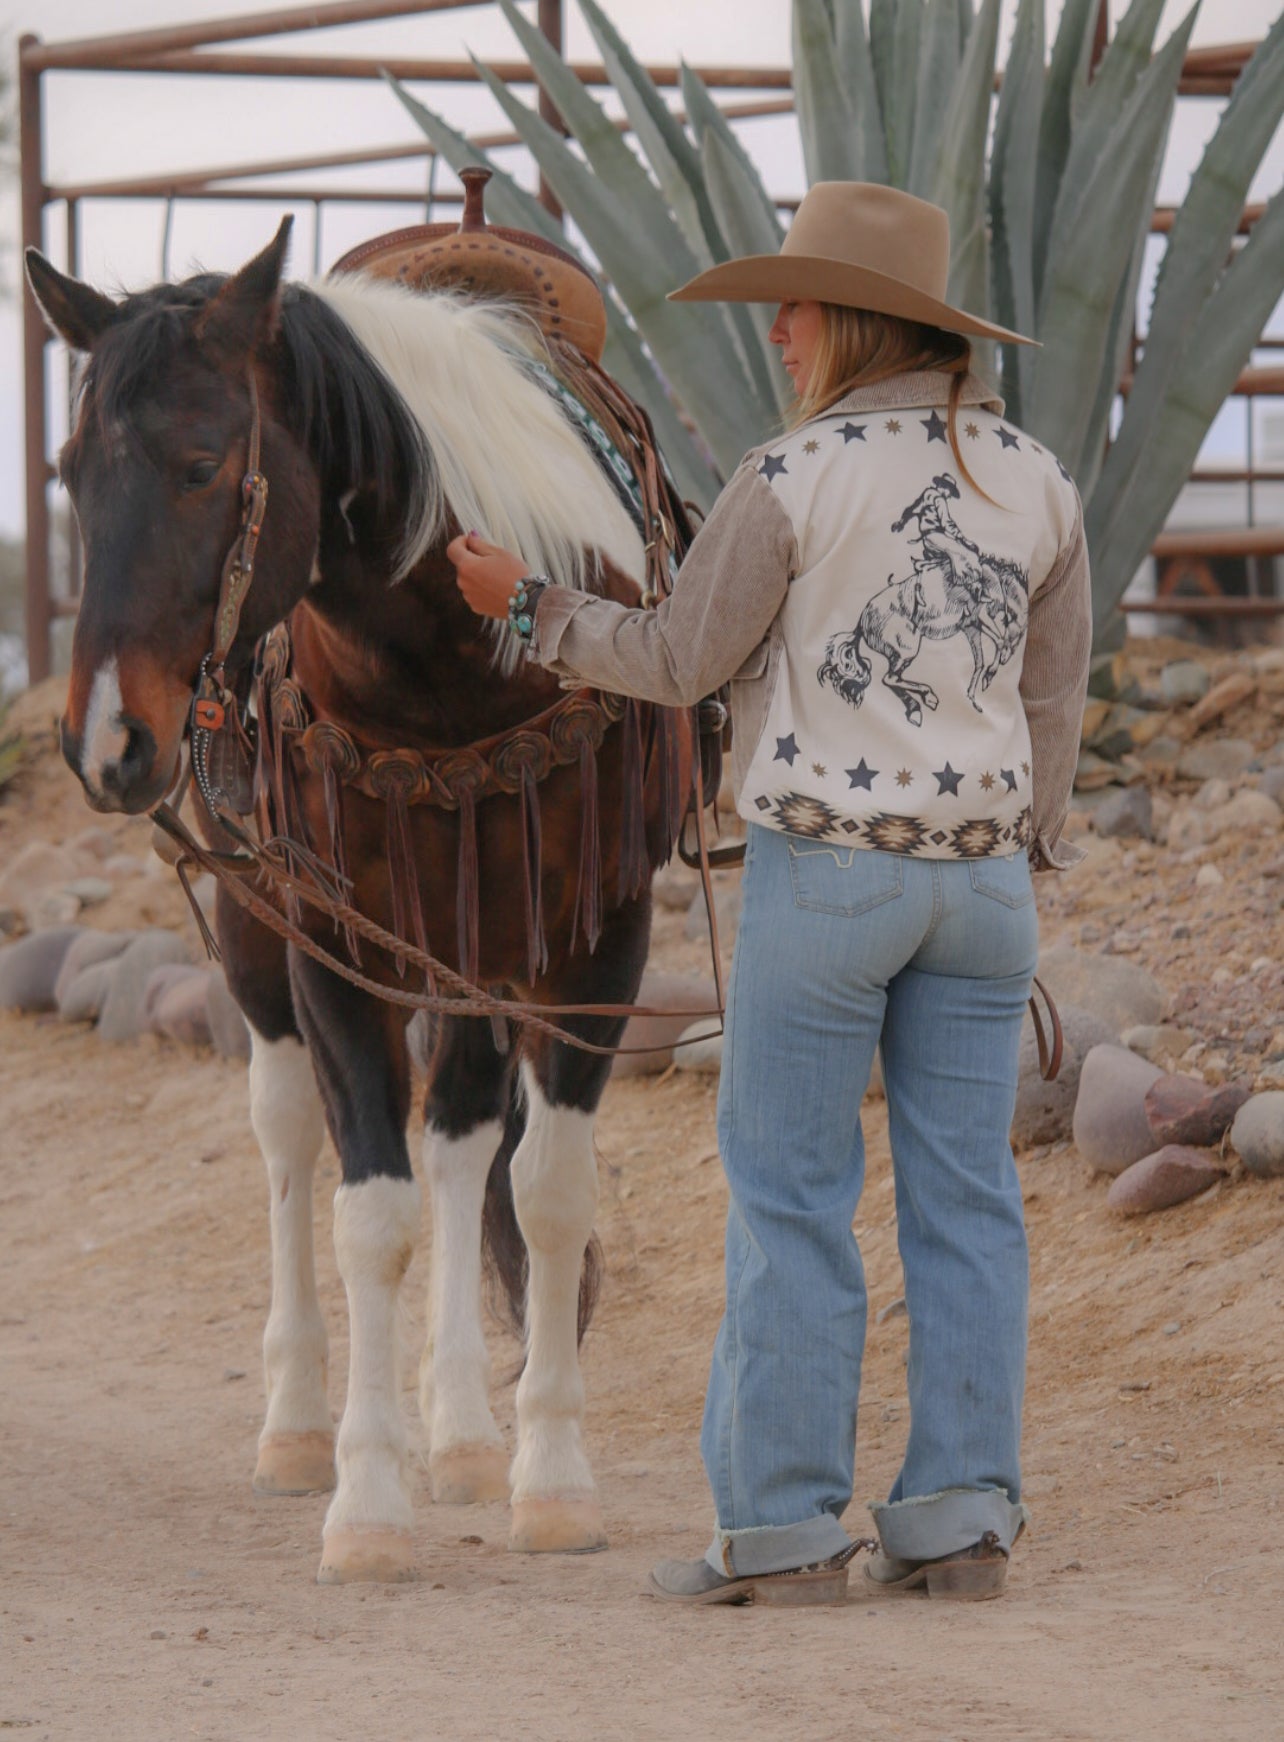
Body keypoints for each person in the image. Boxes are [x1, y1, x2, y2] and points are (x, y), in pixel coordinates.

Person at [448, 181, 1092, 1606]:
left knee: (793, 1200)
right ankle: (964, 1517)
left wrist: (522, 605)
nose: (781, 327)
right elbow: (1054, 706)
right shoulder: (1039, 478)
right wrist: (1014, 845)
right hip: (984, 894)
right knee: (971, 1202)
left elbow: (679, 656)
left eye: (795, 303)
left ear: (853, 320)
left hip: (831, 880)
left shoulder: (791, 479)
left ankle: (788, 1528)